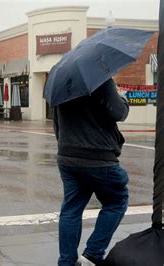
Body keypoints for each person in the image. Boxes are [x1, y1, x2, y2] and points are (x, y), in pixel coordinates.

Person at [54, 79, 129, 266]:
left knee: (71, 210)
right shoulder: (102, 80)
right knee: (117, 201)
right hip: (99, 157)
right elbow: (119, 112)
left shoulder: (60, 84)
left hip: (68, 155)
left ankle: (66, 261)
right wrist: (122, 98)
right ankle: (93, 254)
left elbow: (56, 122)